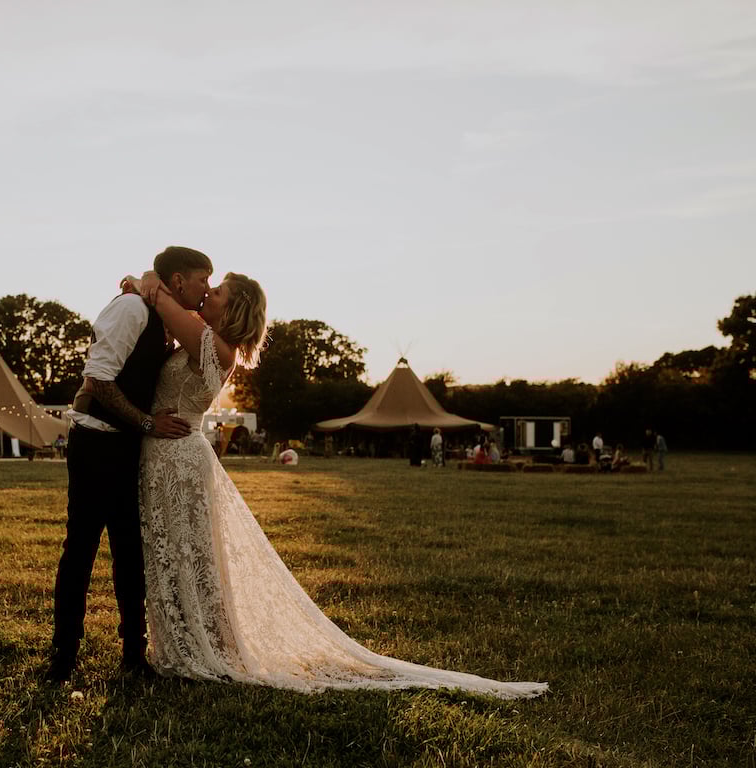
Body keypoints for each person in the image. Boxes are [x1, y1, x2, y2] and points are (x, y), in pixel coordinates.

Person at [124, 269, 546, 699]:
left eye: (217, 293)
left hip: (178, 457)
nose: (207, 296)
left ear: (234, 310)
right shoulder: (202, 336)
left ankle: (200, 648)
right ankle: (187, 641)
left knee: (187, 550)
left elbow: (158, 296)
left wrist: (144, 281)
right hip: (166, 454)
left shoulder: (215, 346)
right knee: (174, 551)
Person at [44, 246, 210, 684]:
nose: (206, 289)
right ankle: (63, 658)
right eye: (201, 280)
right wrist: (147, 423)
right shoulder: (131, 308)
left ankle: (133, 656)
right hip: (96, 444)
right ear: (177, 281)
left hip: (130, 448)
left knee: (129, 552)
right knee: (81, 548)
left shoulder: (166, 316)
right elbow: (98, 380)